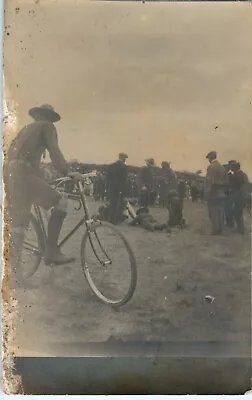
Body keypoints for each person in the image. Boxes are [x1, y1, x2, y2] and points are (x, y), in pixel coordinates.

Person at [4, 104, 78, 287]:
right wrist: (68, 172)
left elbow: (15, 155)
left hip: (11, 173)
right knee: (61, 202)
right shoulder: (47, 127)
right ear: (50, 118)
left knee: (18, 224)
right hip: (25, 173)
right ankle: (52, 250)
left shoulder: (25, 129)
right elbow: (54, 151)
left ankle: (15, 274)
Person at [204, 151, 228, 235]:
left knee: (213, 212)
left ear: (210, 158)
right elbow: (226, 182)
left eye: (208, 158)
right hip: (221, 193)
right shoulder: (222, 167)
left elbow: (209, 182)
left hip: (213, 193)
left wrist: (207, 193)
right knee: (220, 212)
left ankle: (215, 230)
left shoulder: (211, 167)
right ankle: (221, 229)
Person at [225, 161, 249, 234]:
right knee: (237, 212)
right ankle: (240, 228)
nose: (231, 169)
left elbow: (237, 186)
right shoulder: (241, 174)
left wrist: (231, 176)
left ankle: (241, 229)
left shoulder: (239, 175)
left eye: (232, 167)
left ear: (235, 167)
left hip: (241, 196)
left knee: (237, 212)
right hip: (242, 196)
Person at [106, 152, 128, 224]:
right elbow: (124, 180)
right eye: (125, 158)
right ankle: (115, 220)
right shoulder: (123, 167)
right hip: (119, 189)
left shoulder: (111, 166)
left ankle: (110, 219)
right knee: (118, 205)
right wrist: (123, 191)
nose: (125, 160)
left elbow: (107, 178)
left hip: (111, 188)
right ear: (123, 158)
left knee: (112, 204)